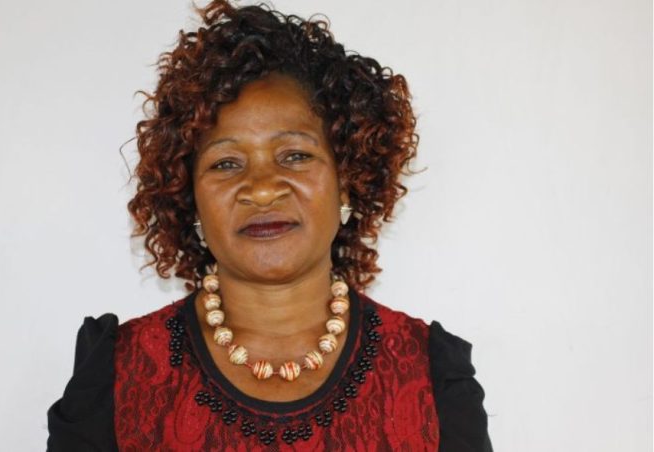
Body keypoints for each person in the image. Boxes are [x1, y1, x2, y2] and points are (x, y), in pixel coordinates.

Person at [47, 1, 492, 450]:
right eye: (226, 163)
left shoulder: (432, 377)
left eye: (295, 155)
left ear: (347, 182)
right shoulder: (116, 378)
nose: (261, 190)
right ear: (189, 198)